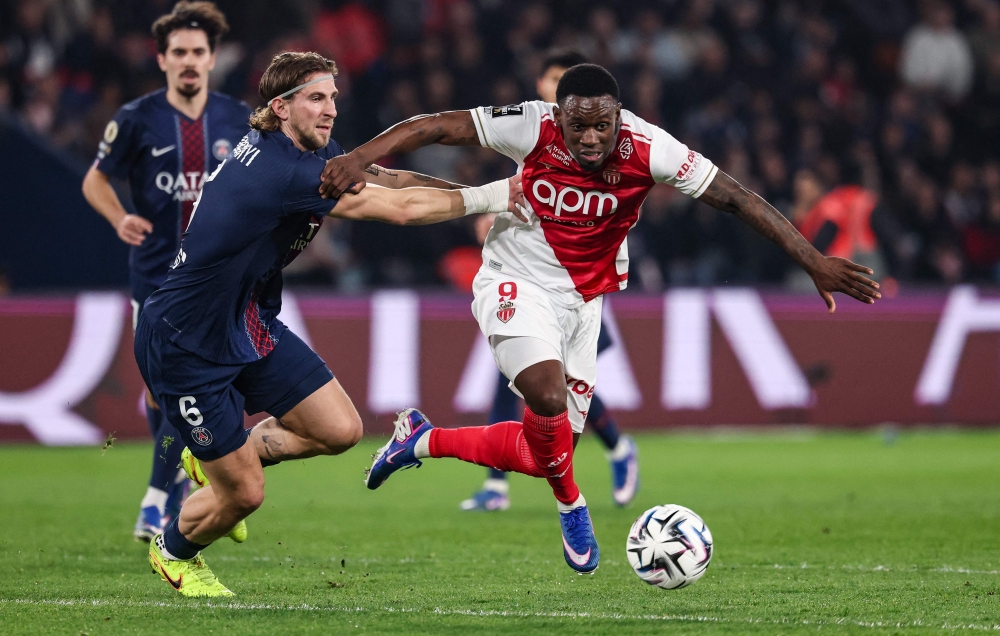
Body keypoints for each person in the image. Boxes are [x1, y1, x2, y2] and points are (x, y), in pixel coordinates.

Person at [321, 63, 881, 575]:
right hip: (515, 279)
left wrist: (814, 260)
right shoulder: (530, 126)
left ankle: (421, 440)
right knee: (545, 394)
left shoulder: (649, 147)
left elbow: (735, 198)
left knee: (543, 453)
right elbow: (437, 125)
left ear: (619, 117)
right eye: (577, 126)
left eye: (602, 126)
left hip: (584, 303)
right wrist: (360, 158)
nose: (590, 139)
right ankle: (572, 502)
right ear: (558, 116)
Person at [137, 51, 520, 597]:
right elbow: (399, 209)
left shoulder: (307, 152)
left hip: (246, 321)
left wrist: (474, 200)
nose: (331, 109)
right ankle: (173, 551)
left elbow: (391, 179)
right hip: (184, 341)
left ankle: (216, 458)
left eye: (334, 98)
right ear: (280, 107)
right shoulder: (283, 171)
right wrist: (498, 196)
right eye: (316, 98)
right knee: (245, 493)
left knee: (339, 430)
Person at [82, 1, 253, 543]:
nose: (188, 61)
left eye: (197, 52)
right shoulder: (135, 119)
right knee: (163, 396)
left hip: (218, 280)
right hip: (156, 276)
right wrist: (119, 216)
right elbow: (95, 180)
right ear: (161, 59)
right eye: (178, 52)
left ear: (212, 58)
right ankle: (176, 487)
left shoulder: (237, 118)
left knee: (193, 391)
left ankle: (157, 500)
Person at [461, 49, 639, 513]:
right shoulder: (532, 131)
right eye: (552, 80)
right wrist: (494, 208)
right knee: (527, 383)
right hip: (527, 278)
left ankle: (618, 447)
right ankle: (498, 486)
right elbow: (523, 189)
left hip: (583, 284)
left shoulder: (604, 143)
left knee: (560, 389)